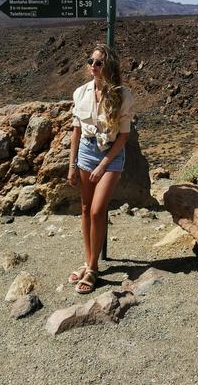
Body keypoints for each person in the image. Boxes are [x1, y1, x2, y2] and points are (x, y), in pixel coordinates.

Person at [67, 43, 134, 294]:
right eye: (90, 61)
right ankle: (88, 262)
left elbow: (124, 137)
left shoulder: (123, 96)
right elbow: (76, 130)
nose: (93, 66)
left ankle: (93, 268)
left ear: (109, 67)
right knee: (85, 208)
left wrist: (104, 164)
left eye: (98, 63)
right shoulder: (81, 93)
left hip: (111, 156)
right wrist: (72, 165)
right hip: (86, 151)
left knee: (97, 211)